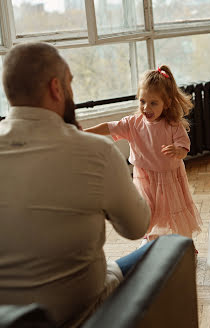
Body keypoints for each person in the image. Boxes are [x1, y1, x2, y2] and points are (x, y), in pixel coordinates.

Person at [0, 42, 152, 328]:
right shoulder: (96, 152)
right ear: (57, 88)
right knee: (164, 245)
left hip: (6, 320)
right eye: (70, 83)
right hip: (85, 312)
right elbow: (137, 227)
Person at [85, 65, 202, 248]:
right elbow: (109, 126)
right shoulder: (133, 123)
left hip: (168, 178)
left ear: (167, 103)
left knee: (172, 211)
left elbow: (184, 147)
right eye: (142, 101)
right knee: (148, 211)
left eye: (153, 103)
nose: (146, 107)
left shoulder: (172, 125)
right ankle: (150, 239)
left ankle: (186, 243)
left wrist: (177, 151)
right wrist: (84, 131)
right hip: (144, 177)